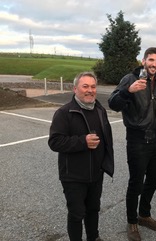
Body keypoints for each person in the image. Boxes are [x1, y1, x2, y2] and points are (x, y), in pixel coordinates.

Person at [108, 47, 156, 241]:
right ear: (144, 61)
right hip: (137, 139)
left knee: (154, 179)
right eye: (151, 60)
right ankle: (132, 221)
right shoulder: (130, 79)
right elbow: (113, 103)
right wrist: (128, 91)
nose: (154, 64)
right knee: (136, 183)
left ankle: (144, 214)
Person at [48, 72, 114, 241]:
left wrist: (106, 163)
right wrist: (82, 142)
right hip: (73, 176)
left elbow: (107, 139)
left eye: (93, 86)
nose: (90, 90)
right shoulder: (64, 113)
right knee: (77, 214)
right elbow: (54, 142)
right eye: (85, 86)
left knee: (93, 210)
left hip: (96, 173)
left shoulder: (100, 110)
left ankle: (94, 237)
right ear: (75, 89)